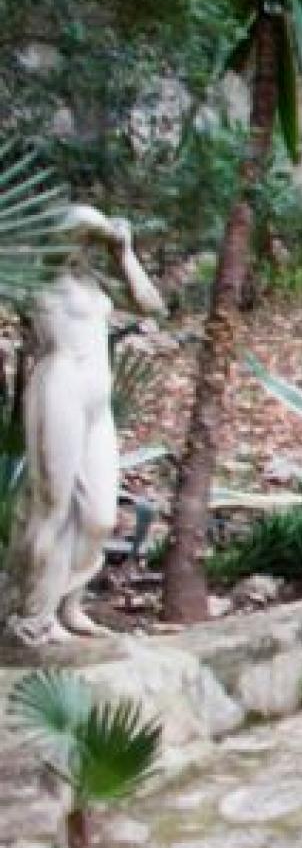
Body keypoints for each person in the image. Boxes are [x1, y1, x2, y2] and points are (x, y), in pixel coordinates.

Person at [8, 207, 165, 647]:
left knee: (100, 515)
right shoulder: (42, 276)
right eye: (84, 240)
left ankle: (69, 602)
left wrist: (125, 254)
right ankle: (34, 616)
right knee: (52, 506)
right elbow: (67, 227)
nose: (86, 248)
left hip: (98, 398)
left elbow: (152, 306)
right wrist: (97, 228)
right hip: (60, 387)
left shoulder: (92, 282)